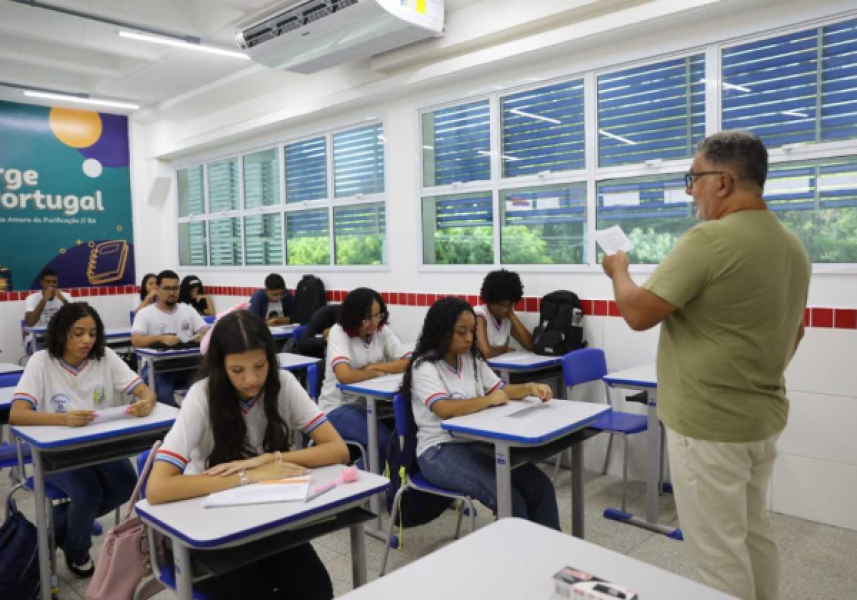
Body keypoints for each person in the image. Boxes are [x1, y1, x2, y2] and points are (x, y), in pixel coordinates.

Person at [601, 130, 810, 600]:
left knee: (717, 553)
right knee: (755, 532)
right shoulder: (791, 245)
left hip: (709, 427)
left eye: (693, 178)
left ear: (723, 180)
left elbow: (637, 313)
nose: (689, 189)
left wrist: (619, 271)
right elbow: (795, 331)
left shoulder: (710, 239)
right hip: (761, 420)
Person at [146, 310, 347, 600]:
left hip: (266, 520)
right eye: (237, 370)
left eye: (260, 365)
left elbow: (336, 449)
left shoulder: (283, 383)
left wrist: (272, 459)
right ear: (220, 365)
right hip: (207, 531)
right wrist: (249, 476)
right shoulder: (202, 396)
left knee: (316, 590)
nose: (251, 379)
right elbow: (158, 488)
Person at [10, 303, 156, 577]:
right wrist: (64, 419)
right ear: (62, 333)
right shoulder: (41, 361)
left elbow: (144, 390)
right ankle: (77, 550)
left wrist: (146, 401)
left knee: (127, 487)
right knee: (87, 494)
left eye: (92, 333)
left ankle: (61, 524)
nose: (87, 340)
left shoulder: (105, 357)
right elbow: (18, 414)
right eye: (78, 333)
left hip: (101, 446)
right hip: (57, 451)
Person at [403, 297, 559, 529]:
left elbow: (501, 390)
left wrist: (528, 388)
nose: (469, 338)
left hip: (475, 443)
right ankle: (520, 561)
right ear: (442, 332)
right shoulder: (424, 366)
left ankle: (551, 554)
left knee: (540, 485)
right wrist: (487, 400)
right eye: (461, 332)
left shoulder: (471, 359)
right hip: (438, 451)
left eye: (472, 331)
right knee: (509, 499)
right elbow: (444, 409)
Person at [318, 288, 410, 461]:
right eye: (367, 318)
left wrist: (375, 367)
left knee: (406, 434)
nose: (374, 323)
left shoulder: (381, 330)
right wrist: (374, 373)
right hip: (337, 407)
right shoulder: (339, 332)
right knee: (384, 441)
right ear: (353, 318)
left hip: (370, 406)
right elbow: (344, 375)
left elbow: (408, 362)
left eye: (378, 315)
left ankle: (388, 481)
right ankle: (360, 480)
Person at [131, 270, 209, 406]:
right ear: (157, 289)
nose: (172, 293)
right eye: (167, 289)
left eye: (175, 288)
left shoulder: (188, 310)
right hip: (157, 367)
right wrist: (161, 338)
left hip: (189, 364)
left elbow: (207, 331)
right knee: (163, 394)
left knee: (206, 391)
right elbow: (136, 340)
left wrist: (203, 336)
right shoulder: (145, 314)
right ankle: (174, 423)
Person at [474, 269, 533, 358]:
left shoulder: (506, 318)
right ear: (490, 301)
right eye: (500, 305)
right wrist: (504, 349)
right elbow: (485, 352)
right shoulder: (480, 315)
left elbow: (531, 345)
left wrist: (513, 316)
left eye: (509, 304)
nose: (505, 309)